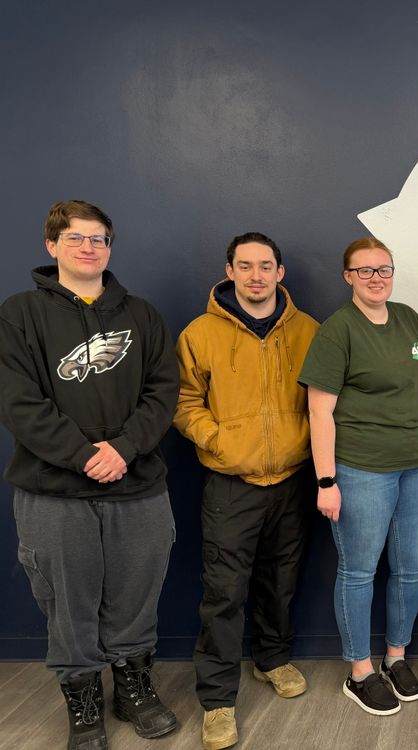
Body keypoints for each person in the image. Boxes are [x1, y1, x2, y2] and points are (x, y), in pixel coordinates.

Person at [0, 200, 179, 749]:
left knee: (137, 592)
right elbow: (18, 402)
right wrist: (83, 456)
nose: (88, 247)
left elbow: (163, 393)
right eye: (75, 238)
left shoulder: (142, 316)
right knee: (67, 600)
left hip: (137, 483)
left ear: (109, 247)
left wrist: (123, 449)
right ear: (51, 245)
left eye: (98, 238)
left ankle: (133, 686)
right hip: (53, 489)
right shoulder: (19, 314)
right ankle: (82, 699)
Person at [174, 232, 319, 750]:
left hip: (292, 478)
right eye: (245, 266)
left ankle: (272, 659)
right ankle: (217, 700)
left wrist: (305, 443)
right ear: (229, 271)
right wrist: (220, 442)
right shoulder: (199, 333)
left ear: (280, 272)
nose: (256, 275)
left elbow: (326, 398)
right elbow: (184, 402)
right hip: (230, 483)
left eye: (265, 266)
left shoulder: (308, 330)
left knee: (281, 579)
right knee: (224, 592)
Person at [298, 237, 418, 717]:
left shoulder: (410, 319)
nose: (376, 278)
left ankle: (396, 657)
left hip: (415, 469)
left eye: (384, 269)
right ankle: (359, 671)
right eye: (365, 271)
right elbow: (319, 412)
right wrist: (326, 481)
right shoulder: (337, 331)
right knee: (359, 572)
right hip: (361, 470)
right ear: (348, 276)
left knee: (412, 567)